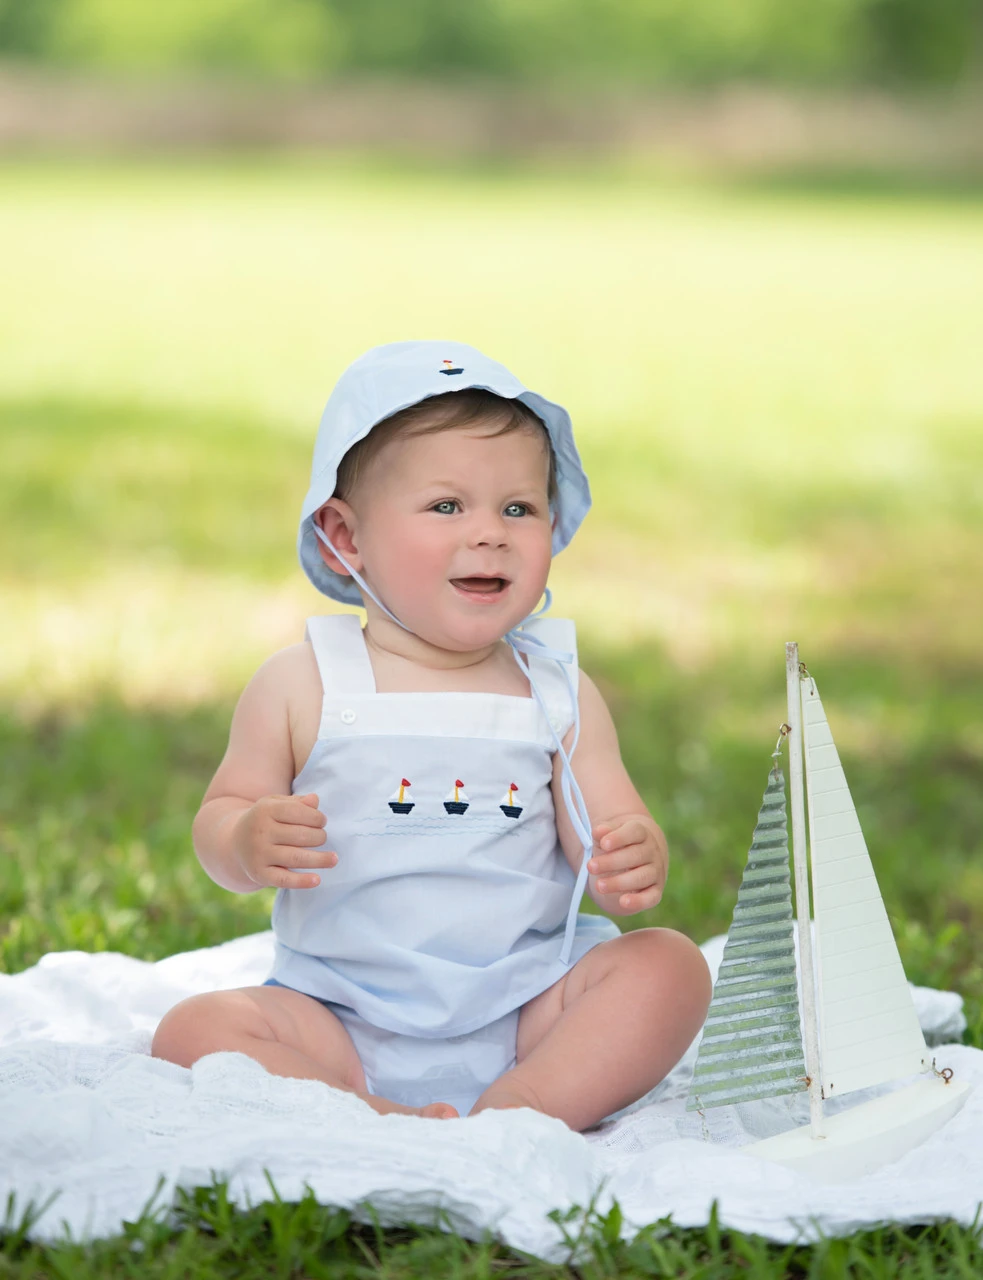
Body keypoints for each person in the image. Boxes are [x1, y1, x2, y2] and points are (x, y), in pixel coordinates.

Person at [152, 340, 711, 1128]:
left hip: (527, 1008)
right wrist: (245, 839)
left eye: (518, 508)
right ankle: (366, 1110)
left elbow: (607, 825)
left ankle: (524, 1108)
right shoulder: (301, 682)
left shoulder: (556, 689)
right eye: (447, 506)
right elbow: (220, 818)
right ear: (346, 538)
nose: (489, 533)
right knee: (195, 1030)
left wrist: (629, 853)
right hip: (339, 1014)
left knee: (669, 967)